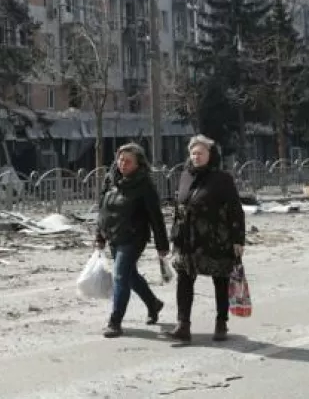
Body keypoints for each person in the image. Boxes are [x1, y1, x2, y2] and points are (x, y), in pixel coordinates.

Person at [165, 135, 246, 343]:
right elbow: (179, 207)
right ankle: (183, 324)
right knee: (184, 279)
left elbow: (235, 210)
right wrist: (174, 235)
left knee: (220, 279)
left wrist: (238, 239)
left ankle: (221, 323)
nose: (196, 156)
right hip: (187, 240)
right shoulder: (185, 176)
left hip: (216, 239)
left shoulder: (222, 179)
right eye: (193, 153)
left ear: (211, 155)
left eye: (201, 153)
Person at [95, 143, 170, 338]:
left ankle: (115, 321)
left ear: (138, 164)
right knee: (130, 276)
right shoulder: (111, 180)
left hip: (133, 237)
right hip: (113, 235)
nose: (123, 164)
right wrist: (99, 235)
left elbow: (156, 217)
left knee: (120, 276)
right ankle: (153, 303)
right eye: (120, 159)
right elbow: (103, 209)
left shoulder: (144, 185)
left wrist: (162, 246)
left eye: (128, 161)